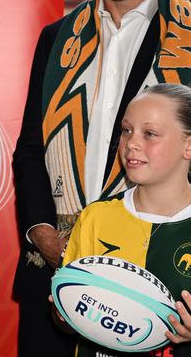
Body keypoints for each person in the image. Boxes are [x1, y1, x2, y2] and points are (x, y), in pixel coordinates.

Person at [13, 0, 191, 356]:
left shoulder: (188, 34)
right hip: (53, 265)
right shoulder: (57, 37)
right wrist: (39, 231)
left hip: (157, 272)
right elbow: (29, 146)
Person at [61, 83, 191, 356]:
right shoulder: (96, 216)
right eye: (126, 130)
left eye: (150, 134)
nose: (131, 143)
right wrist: (63, 307)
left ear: (188, 146)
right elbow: (65, 320)